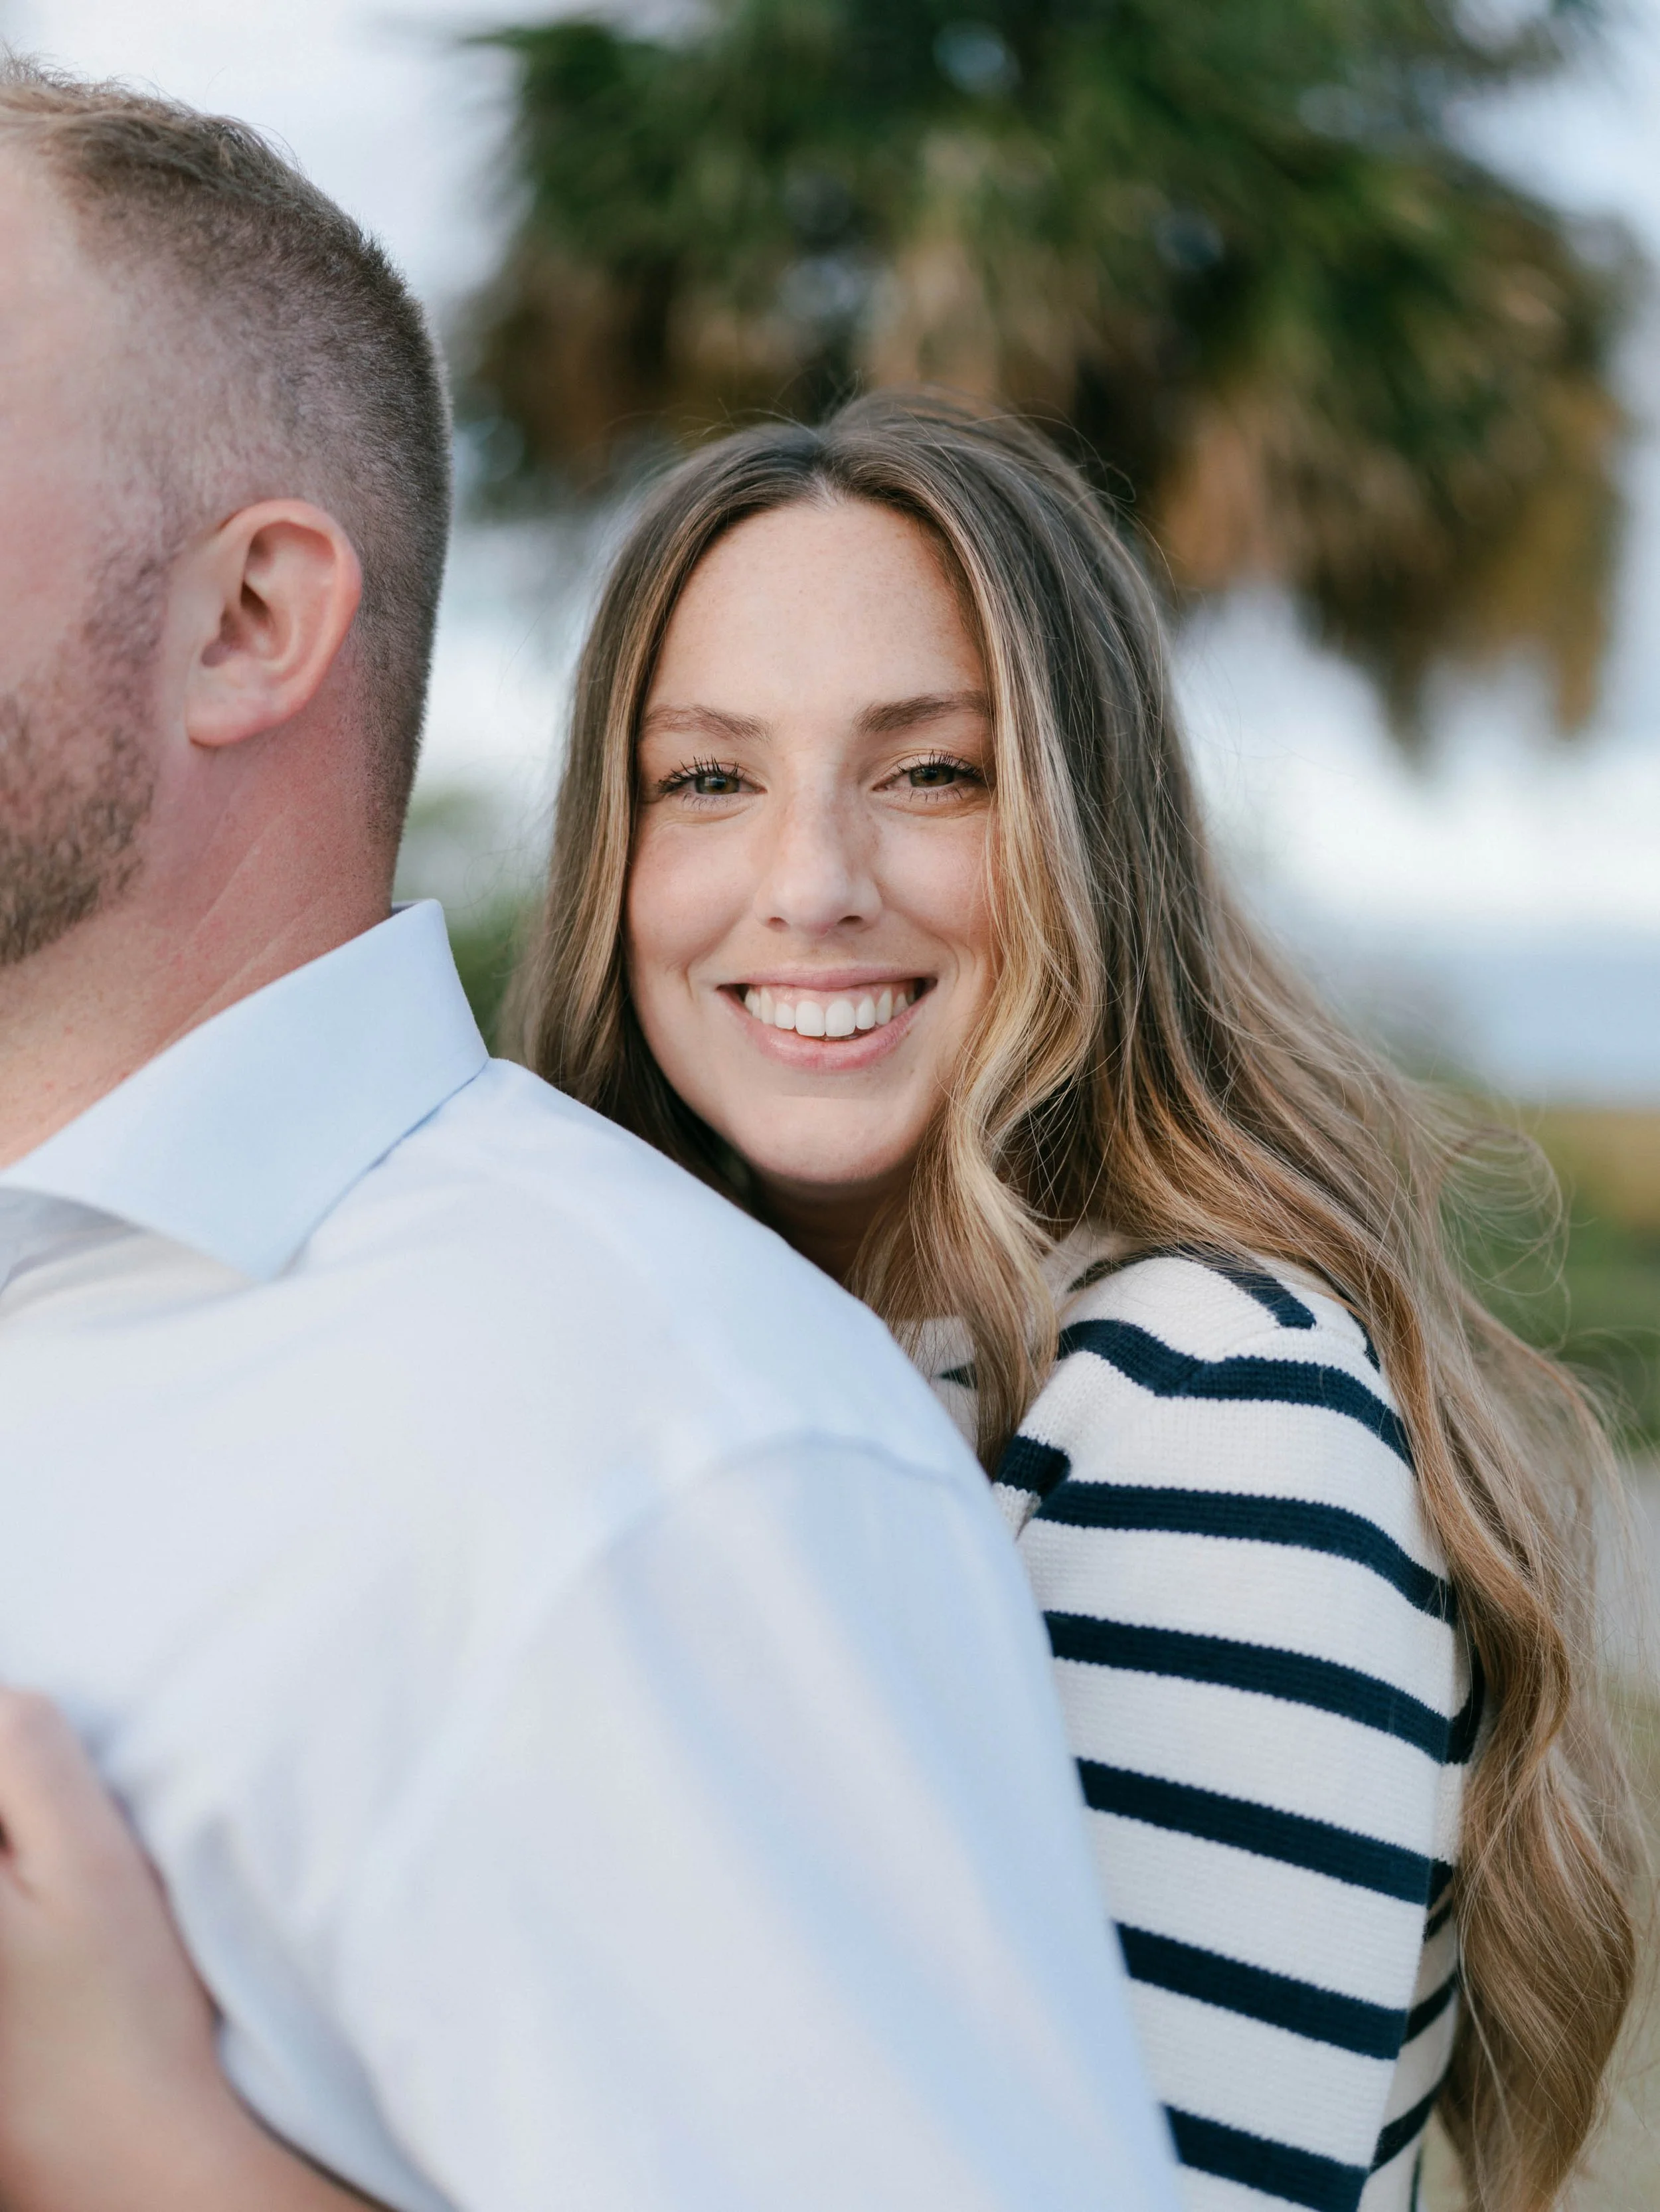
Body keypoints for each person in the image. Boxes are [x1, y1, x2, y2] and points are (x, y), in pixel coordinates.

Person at [0, 70, 1635, 2212]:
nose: (808, 887)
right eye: (706, 784)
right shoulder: (597, 1323)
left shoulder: (1199, 1407)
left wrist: (137, 2135)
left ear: (1084, 836)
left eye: (931, 775)